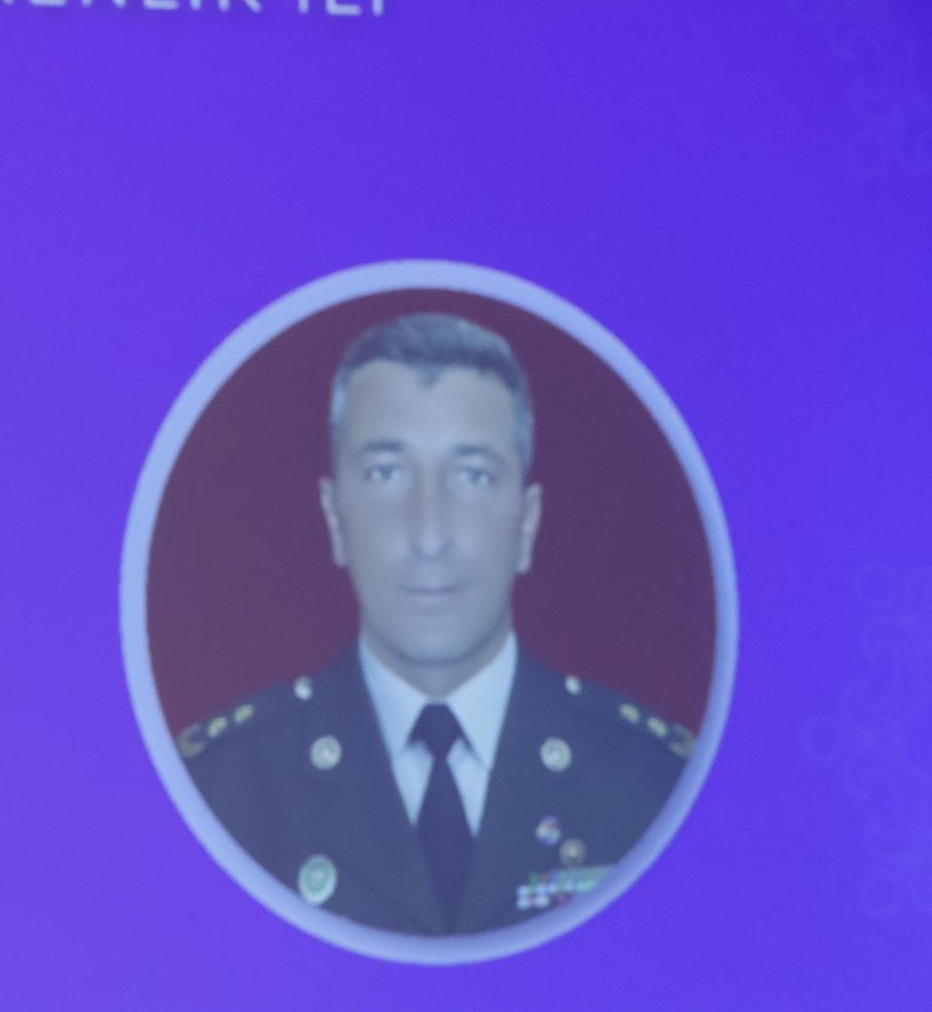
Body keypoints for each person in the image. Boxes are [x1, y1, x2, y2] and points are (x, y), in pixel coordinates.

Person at [183, 312, 691, 936]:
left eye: (472, 476)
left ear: (527, 523)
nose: (429, 535)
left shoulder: (655, 786)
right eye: (386, 474)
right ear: (334, 518)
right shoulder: (222, 792)